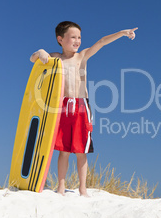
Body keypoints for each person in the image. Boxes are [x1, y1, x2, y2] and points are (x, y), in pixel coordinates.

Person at [30, 21, 138, 196]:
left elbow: (102, 42)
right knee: (64, 150)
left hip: (81, 106)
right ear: (60, 39)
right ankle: (61, 187)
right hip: (62, 106)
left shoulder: (82, 57)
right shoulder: (55, 58)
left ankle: (83, 188)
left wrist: (122, 33)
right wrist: (41, 52)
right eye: (73, 37)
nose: (77, 40)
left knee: (81, 150)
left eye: (79, 37)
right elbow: (33, 58)